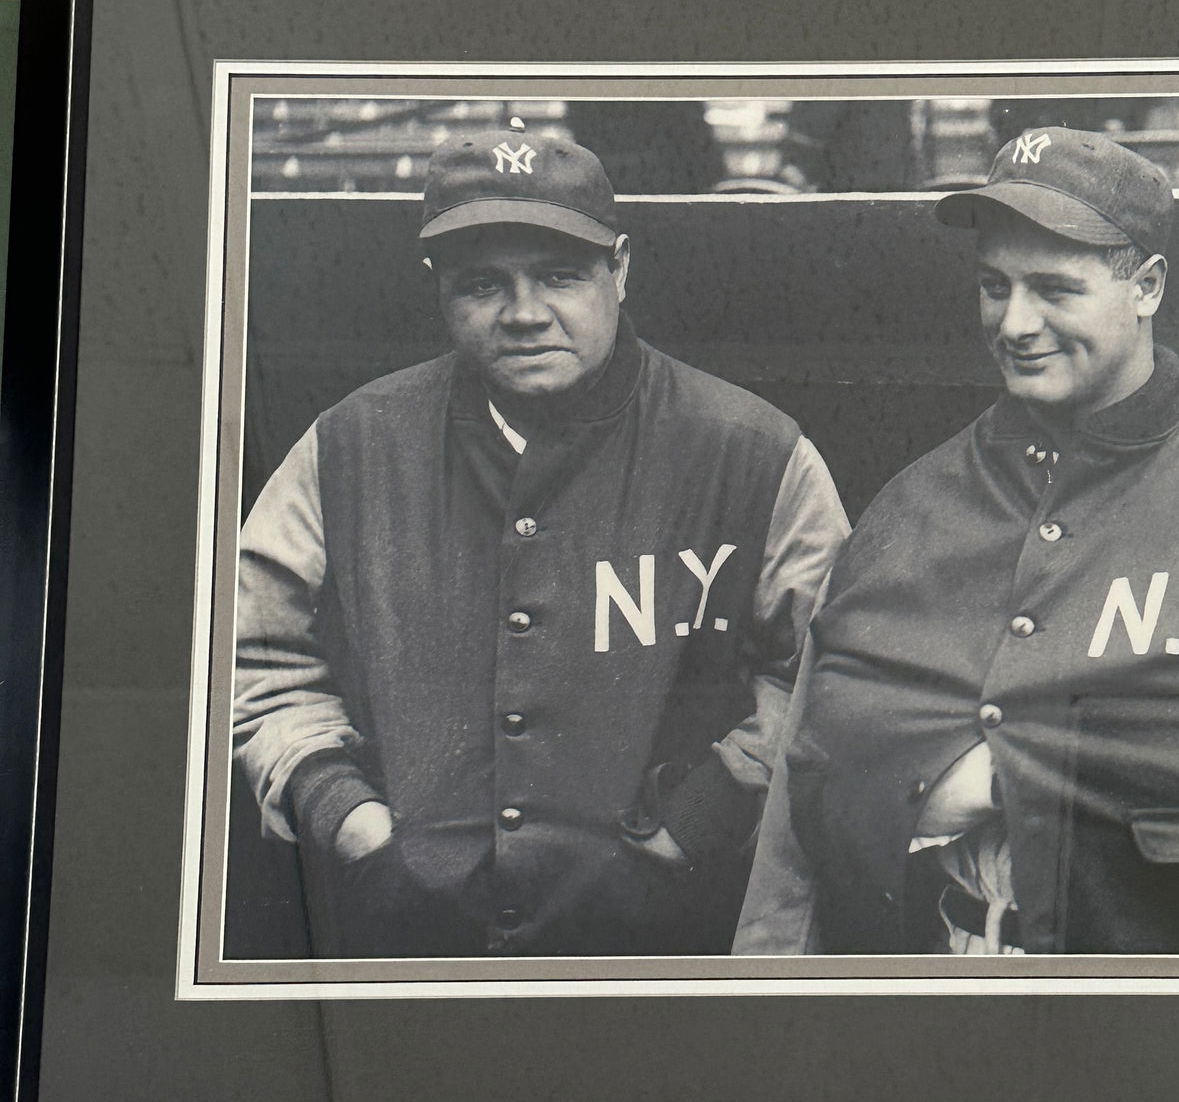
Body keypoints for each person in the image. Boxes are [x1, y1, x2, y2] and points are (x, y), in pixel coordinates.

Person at [735, 124, 1179, 960]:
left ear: (1147, 286)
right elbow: (790, 855)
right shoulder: (901, 515)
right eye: (992, 285)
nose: (1014, 323)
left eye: (1054, 288)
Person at [234, 125, 848, 959]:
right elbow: (249, 653)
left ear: (620, 269)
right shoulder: (349, 444)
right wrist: (343, 811)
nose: (525, 314)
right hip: (410, 947)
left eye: (560, 275)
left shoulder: (752, 449)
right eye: (484, 283)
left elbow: (828, 670)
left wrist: (699, 819)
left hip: (662, 942)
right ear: (436, 285)